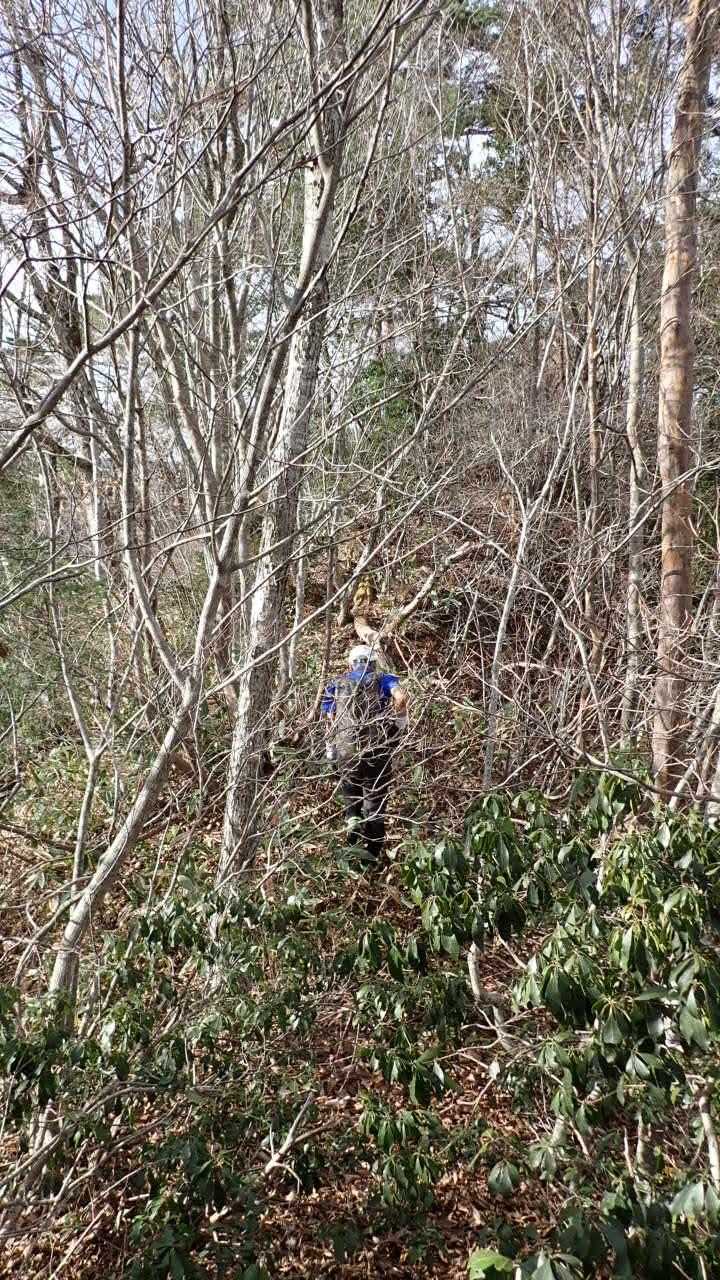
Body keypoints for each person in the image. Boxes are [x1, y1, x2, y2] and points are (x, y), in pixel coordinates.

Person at [322, 643, 408, 863]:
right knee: (375, 805)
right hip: (377, 751)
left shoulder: (336, 684)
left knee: (352, 799)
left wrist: (331, 749)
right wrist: (397, 727)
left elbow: (330, 720)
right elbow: (400, 698)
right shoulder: (384, 679)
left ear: (351, 664)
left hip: (347, 753)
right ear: (373, 663)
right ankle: (370, 859)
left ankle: (352, 838)